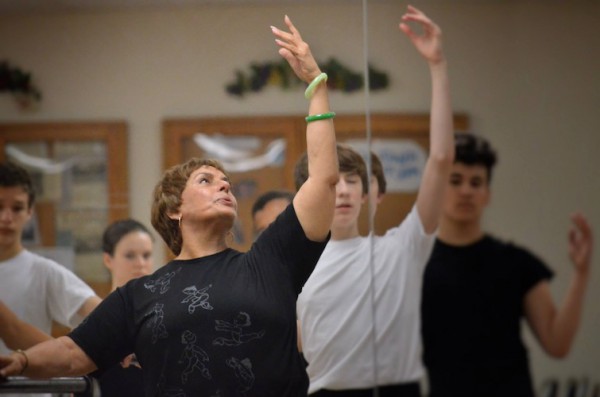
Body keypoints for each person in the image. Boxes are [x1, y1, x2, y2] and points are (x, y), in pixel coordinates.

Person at [0, 14, 339, 397]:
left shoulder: (268, 261)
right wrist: (23, 361)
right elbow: (73, 352)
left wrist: (317, 86)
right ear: (174, 209)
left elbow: (323, 180)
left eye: (226, 182)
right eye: (206, 181)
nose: (224, 185)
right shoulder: (139, 294)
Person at [295, 5, 454, 396]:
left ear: (369, 195)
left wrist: (437, 65)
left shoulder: (403, 247)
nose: (344, 190)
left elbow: (441, 160)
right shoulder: (293, 267)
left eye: (353, 182)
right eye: (334, 184)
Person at [420, 132, 594, 397]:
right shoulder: (416, 265)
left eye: (476, 182)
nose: (466, 190)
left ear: (487, 194)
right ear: (438, 190)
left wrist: (581, 274)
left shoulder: (516, 262)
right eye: (455, 181)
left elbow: (557, 344)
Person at [0, 160, 102, 397]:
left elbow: (101, 314)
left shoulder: (44, 271)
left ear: (29, 212)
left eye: (16, 208)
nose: (6, 218)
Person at [96, 218, 155, 397]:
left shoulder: (163, 314)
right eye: (130, 256)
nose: (140, 264)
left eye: (146, 255)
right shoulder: (96, 318)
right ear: (108, 259)